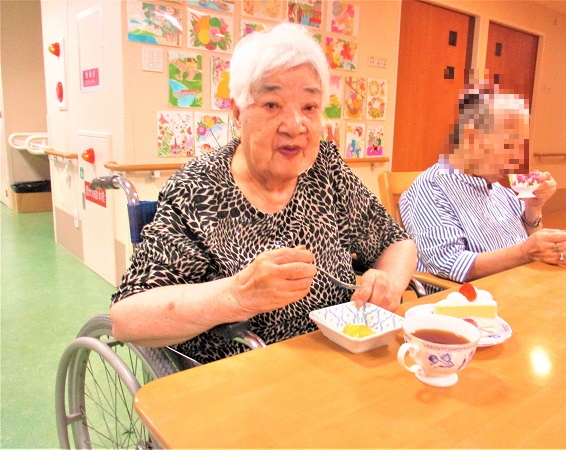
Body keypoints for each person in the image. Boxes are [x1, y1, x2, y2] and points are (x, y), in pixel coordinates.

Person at [110, 23, 417, 365]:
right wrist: (238, 295)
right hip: (242, 375)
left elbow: (397, 243)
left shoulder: (325, 169)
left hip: (338, 360)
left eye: (310, 107)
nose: (295, 125)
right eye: (272, 104)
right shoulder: (197, 188)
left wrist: (388, 283)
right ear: (238, 112)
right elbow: (127, 318)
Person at [399, 81, 566, 286]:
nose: (517, 158)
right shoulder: (432, 188)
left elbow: (532, 237)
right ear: (471, 138)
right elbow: (449, 264)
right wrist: (525, 252)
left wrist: (533, 208)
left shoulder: (498, 189)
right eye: (508, 145)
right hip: (475, 297)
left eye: (520, 147)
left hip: (523, 284)